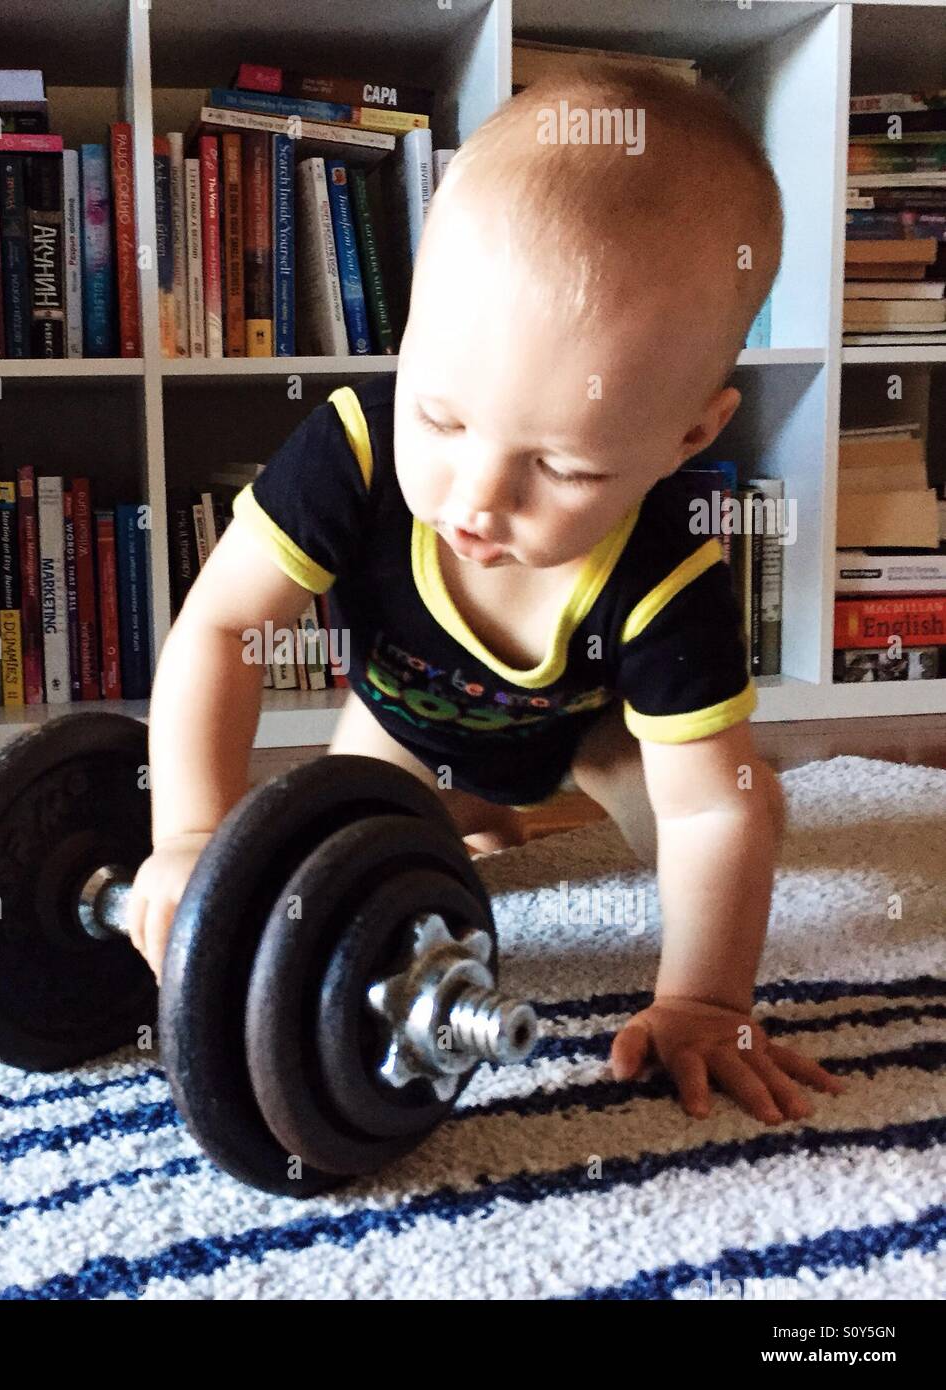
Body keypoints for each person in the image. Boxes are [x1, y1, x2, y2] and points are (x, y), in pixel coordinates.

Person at [127, 64, 845, 1126]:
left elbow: (702, 810)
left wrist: (705, 999)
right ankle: (471, 815)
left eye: (560, 469)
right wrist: (189, 830)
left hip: (594, 731)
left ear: (686, 436)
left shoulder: (670, 572)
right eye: (444, 419)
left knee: (723, 823)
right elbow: (225, 627)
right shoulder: (355, 451)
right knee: (335, 891)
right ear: (410, 335)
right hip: (402, 718)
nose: (476, 497)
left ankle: (496, 815)